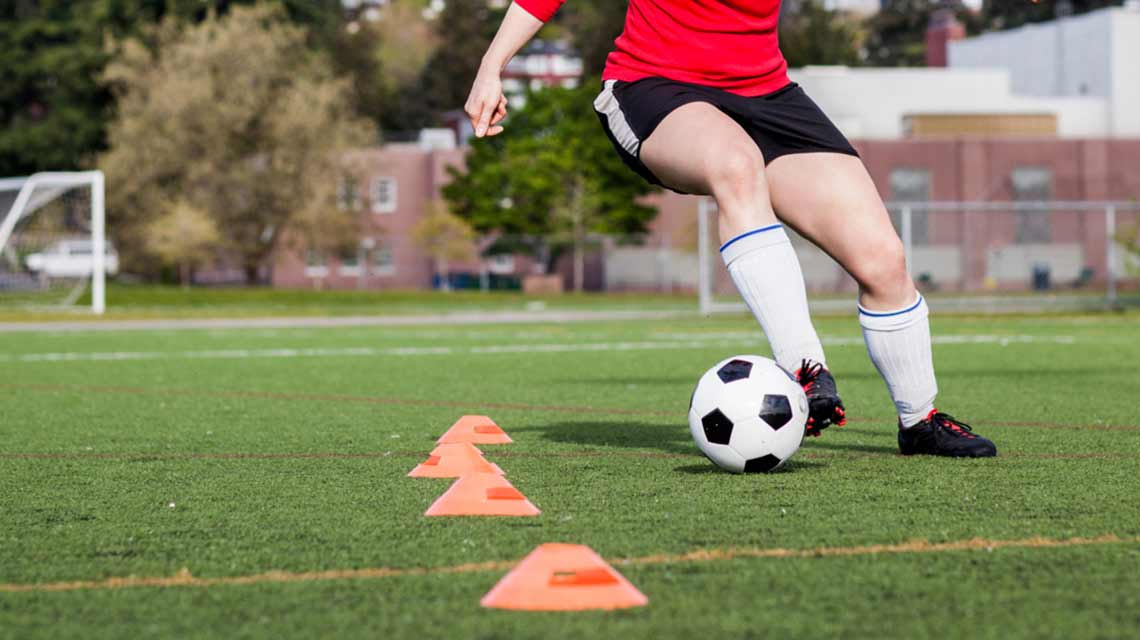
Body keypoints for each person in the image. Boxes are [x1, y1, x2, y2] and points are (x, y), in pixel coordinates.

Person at [464, 0, 997, 457]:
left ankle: (920, 421)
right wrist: (492, 68)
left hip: (767, 95)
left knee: (883, 259)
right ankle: (804, 371)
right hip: (653, 88)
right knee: (736, 166)